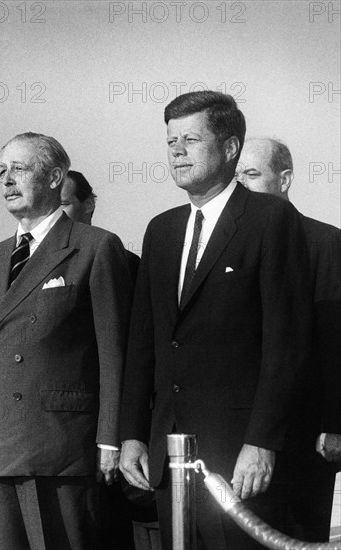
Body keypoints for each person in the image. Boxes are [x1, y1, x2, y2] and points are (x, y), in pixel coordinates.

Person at [119, 91, 313, 550]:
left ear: (230, 148)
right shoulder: (161, 230)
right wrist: (131, 435)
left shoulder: (270, 219)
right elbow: (144, 342)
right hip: (169, 459)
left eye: (191, 139)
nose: (178, 151)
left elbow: (286, 343)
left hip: (238, 459)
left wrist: (262, 442)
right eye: (171, 142)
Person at [0, 132, 133, 550]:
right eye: (2, 171)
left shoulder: (95, 247)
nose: (7, 181)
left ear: (56, 177)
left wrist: (110, 437)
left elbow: (115, 353)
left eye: (19, 169)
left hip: (58, 444)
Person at [237, 137, 341, 541]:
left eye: (251, 174)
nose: (241, 184)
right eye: (236, 175)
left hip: (306, 437)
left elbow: (334, 340)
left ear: (285, 179)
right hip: (241, 430)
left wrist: (335, 425)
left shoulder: (324, 241)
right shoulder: (227, 243)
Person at [61, 171, 160, 550]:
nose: (59, 215)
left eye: (66, 204)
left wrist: (127, 432)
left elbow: (138, 354)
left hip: (115, 432)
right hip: (64, 440)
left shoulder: (124, 263)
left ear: (89, 205)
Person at [61, 170, 140, 284]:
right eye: (48, 206)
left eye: (62, 204)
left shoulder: (126, 262)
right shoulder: (35, 259)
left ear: (88, 205)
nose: (53, 213)